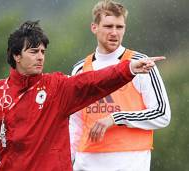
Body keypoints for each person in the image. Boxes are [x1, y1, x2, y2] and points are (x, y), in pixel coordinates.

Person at [0, 20, 163, 171]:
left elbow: (92, 82)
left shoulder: (57, 88)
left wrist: (127, 68)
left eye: (43, 52)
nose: (40, 57)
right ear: (16, 55)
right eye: (34, 51)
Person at [69, 1, 171, 171]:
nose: (114, 33)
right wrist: (65, 162)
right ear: (94, 27)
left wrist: (116, 118)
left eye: (120, 27)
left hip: (129, 163)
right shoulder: (80, 69)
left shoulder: (140, 64)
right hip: (85, 163)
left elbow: (162, 113)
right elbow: (75, 124)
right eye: (108, 26)